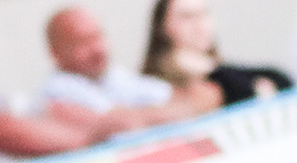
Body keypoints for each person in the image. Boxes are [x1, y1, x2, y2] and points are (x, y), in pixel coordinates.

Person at [38, 7, 220, 129]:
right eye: (82, 42)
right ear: (56, 52)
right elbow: (116, 125)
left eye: (98, 37)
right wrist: (179, 109)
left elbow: (203, 96)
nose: (97, 49)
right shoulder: (57, 92)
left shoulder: (115, 76)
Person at [141, 0, 293, 106]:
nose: (199, 25)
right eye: (187, 16)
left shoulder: (216, 69)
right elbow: (245, 94)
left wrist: (210, 69)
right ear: (162, 27)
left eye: (204, 13)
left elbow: (282, 80)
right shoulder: (156, 87)